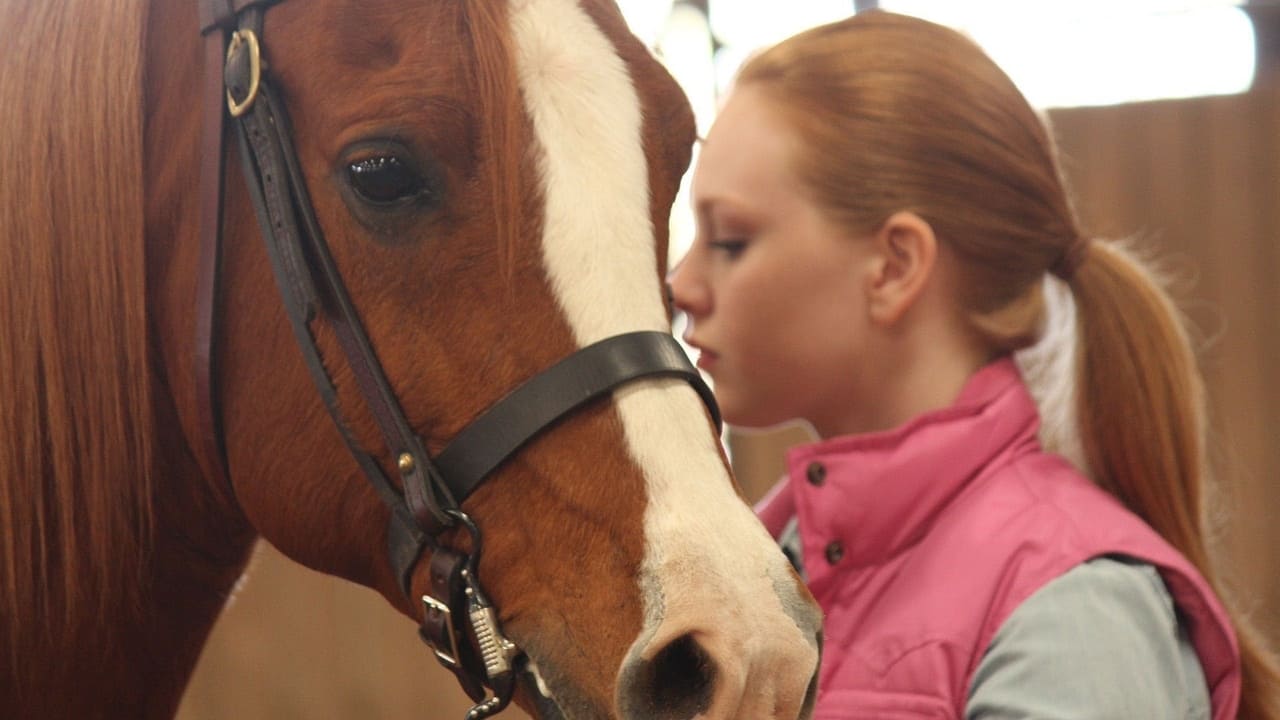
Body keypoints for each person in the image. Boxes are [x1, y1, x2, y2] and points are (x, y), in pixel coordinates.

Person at [667, 10, 1280, 720]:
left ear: (895, 266)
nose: (681, 282)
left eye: (732, 240)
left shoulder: (1074, 610)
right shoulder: (771, 561)